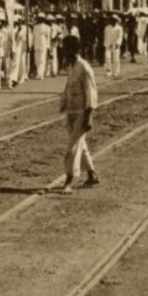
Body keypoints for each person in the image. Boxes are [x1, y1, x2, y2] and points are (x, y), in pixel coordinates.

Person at [58, 35, 101, 194]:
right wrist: (63, 104)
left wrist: (89, 116)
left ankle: (69, 179)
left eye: (66, 49)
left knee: (73, 147)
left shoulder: (84, 67)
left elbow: (91, 92)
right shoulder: (72, 66)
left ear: (73, 50)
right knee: (80, 145)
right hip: (71, 111)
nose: (64, 52)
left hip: (82, 112)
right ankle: (92, 174)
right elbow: (68, 88)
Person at [32, 14, 50, 79]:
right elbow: (33, 36)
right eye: (39, 18)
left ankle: (41, 74)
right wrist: (32, 45)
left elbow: (48, 37)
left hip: (43, 45)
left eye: (41, 18)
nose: (40, 19)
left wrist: (48, 46)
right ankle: (38, 73)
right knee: (37, 60)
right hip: (36, 44)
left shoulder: (47, 27)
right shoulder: (35, 27)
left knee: (42, 59)